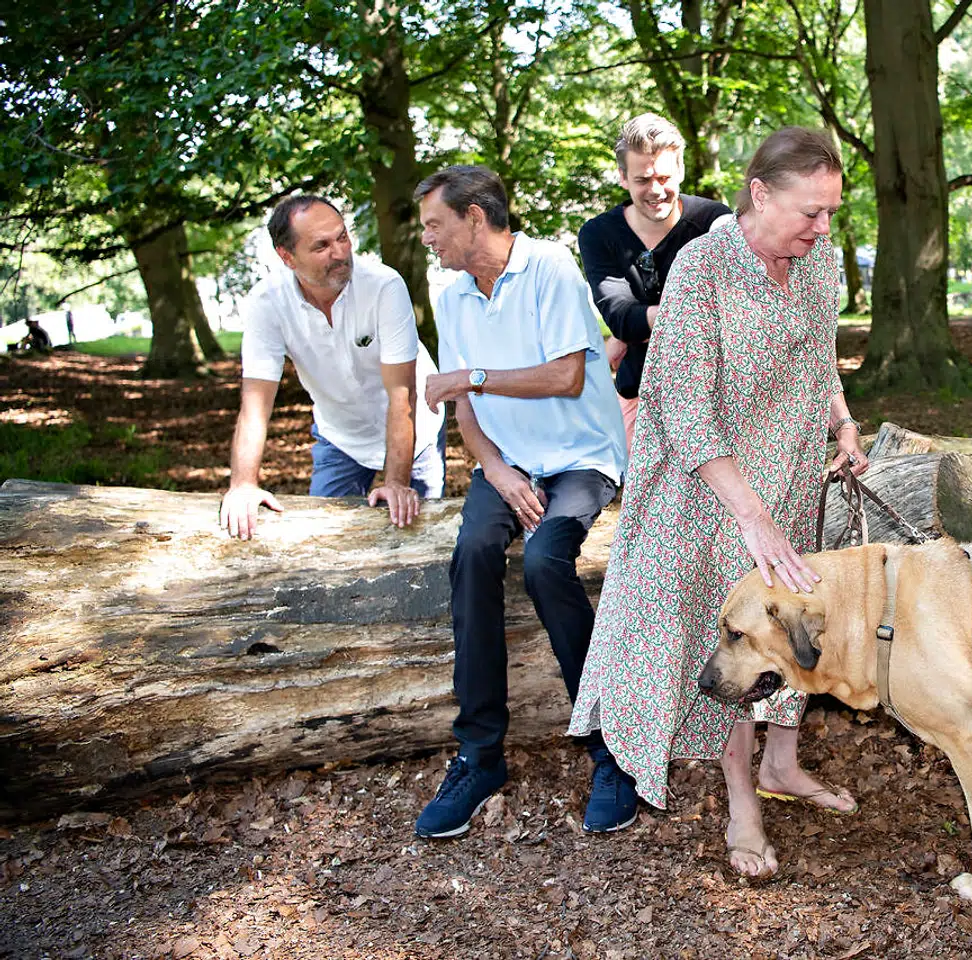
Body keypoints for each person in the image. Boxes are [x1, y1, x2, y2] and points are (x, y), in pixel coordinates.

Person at [568, 127, 870, 879]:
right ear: (759, 193)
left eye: (832, 212)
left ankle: (783, 763)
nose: (823, 227)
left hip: (792, 470)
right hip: (712, 490)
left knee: (794, 620)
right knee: (736, 640)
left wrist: (841, 419)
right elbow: (686, 411)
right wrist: (751, 516)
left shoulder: (820, 260)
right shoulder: (703, 265)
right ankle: (744, 798)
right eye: (811, 211)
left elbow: (817, 351)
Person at [412, 165, 630, 839]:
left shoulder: (549, 268)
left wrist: (472, 375)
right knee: (474, 550)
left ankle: (610, 751)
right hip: (506, 464)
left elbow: (566, 376)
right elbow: (464, 408)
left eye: (434, 226)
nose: (428, 240)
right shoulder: (451, 297)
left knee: (543, 563)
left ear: (476, 218)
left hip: (580, 459)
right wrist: (497, 472)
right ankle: (479, 756)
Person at [220, 195, 445, 540]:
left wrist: (396, 483)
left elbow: (403, 394)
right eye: (321, 246)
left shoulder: (384, 286)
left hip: (415, 434)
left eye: (342, 237)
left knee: (420, 541)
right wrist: (243, 485)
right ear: (287, 256)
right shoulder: (267, 303)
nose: (340, 253)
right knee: (326, 542)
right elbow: (255, 405)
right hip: (340, 437)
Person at [577, 114, 731, 450]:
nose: (656, 190)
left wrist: (642, 323)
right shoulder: (599, 234)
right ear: (622, 178)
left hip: (716, 398)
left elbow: (734, 301)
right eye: (643, 180)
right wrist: (692, 312)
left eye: (664, 176)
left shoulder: (712, 221)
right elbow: (618, 315)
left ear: (681, 172)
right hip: (641, 397)